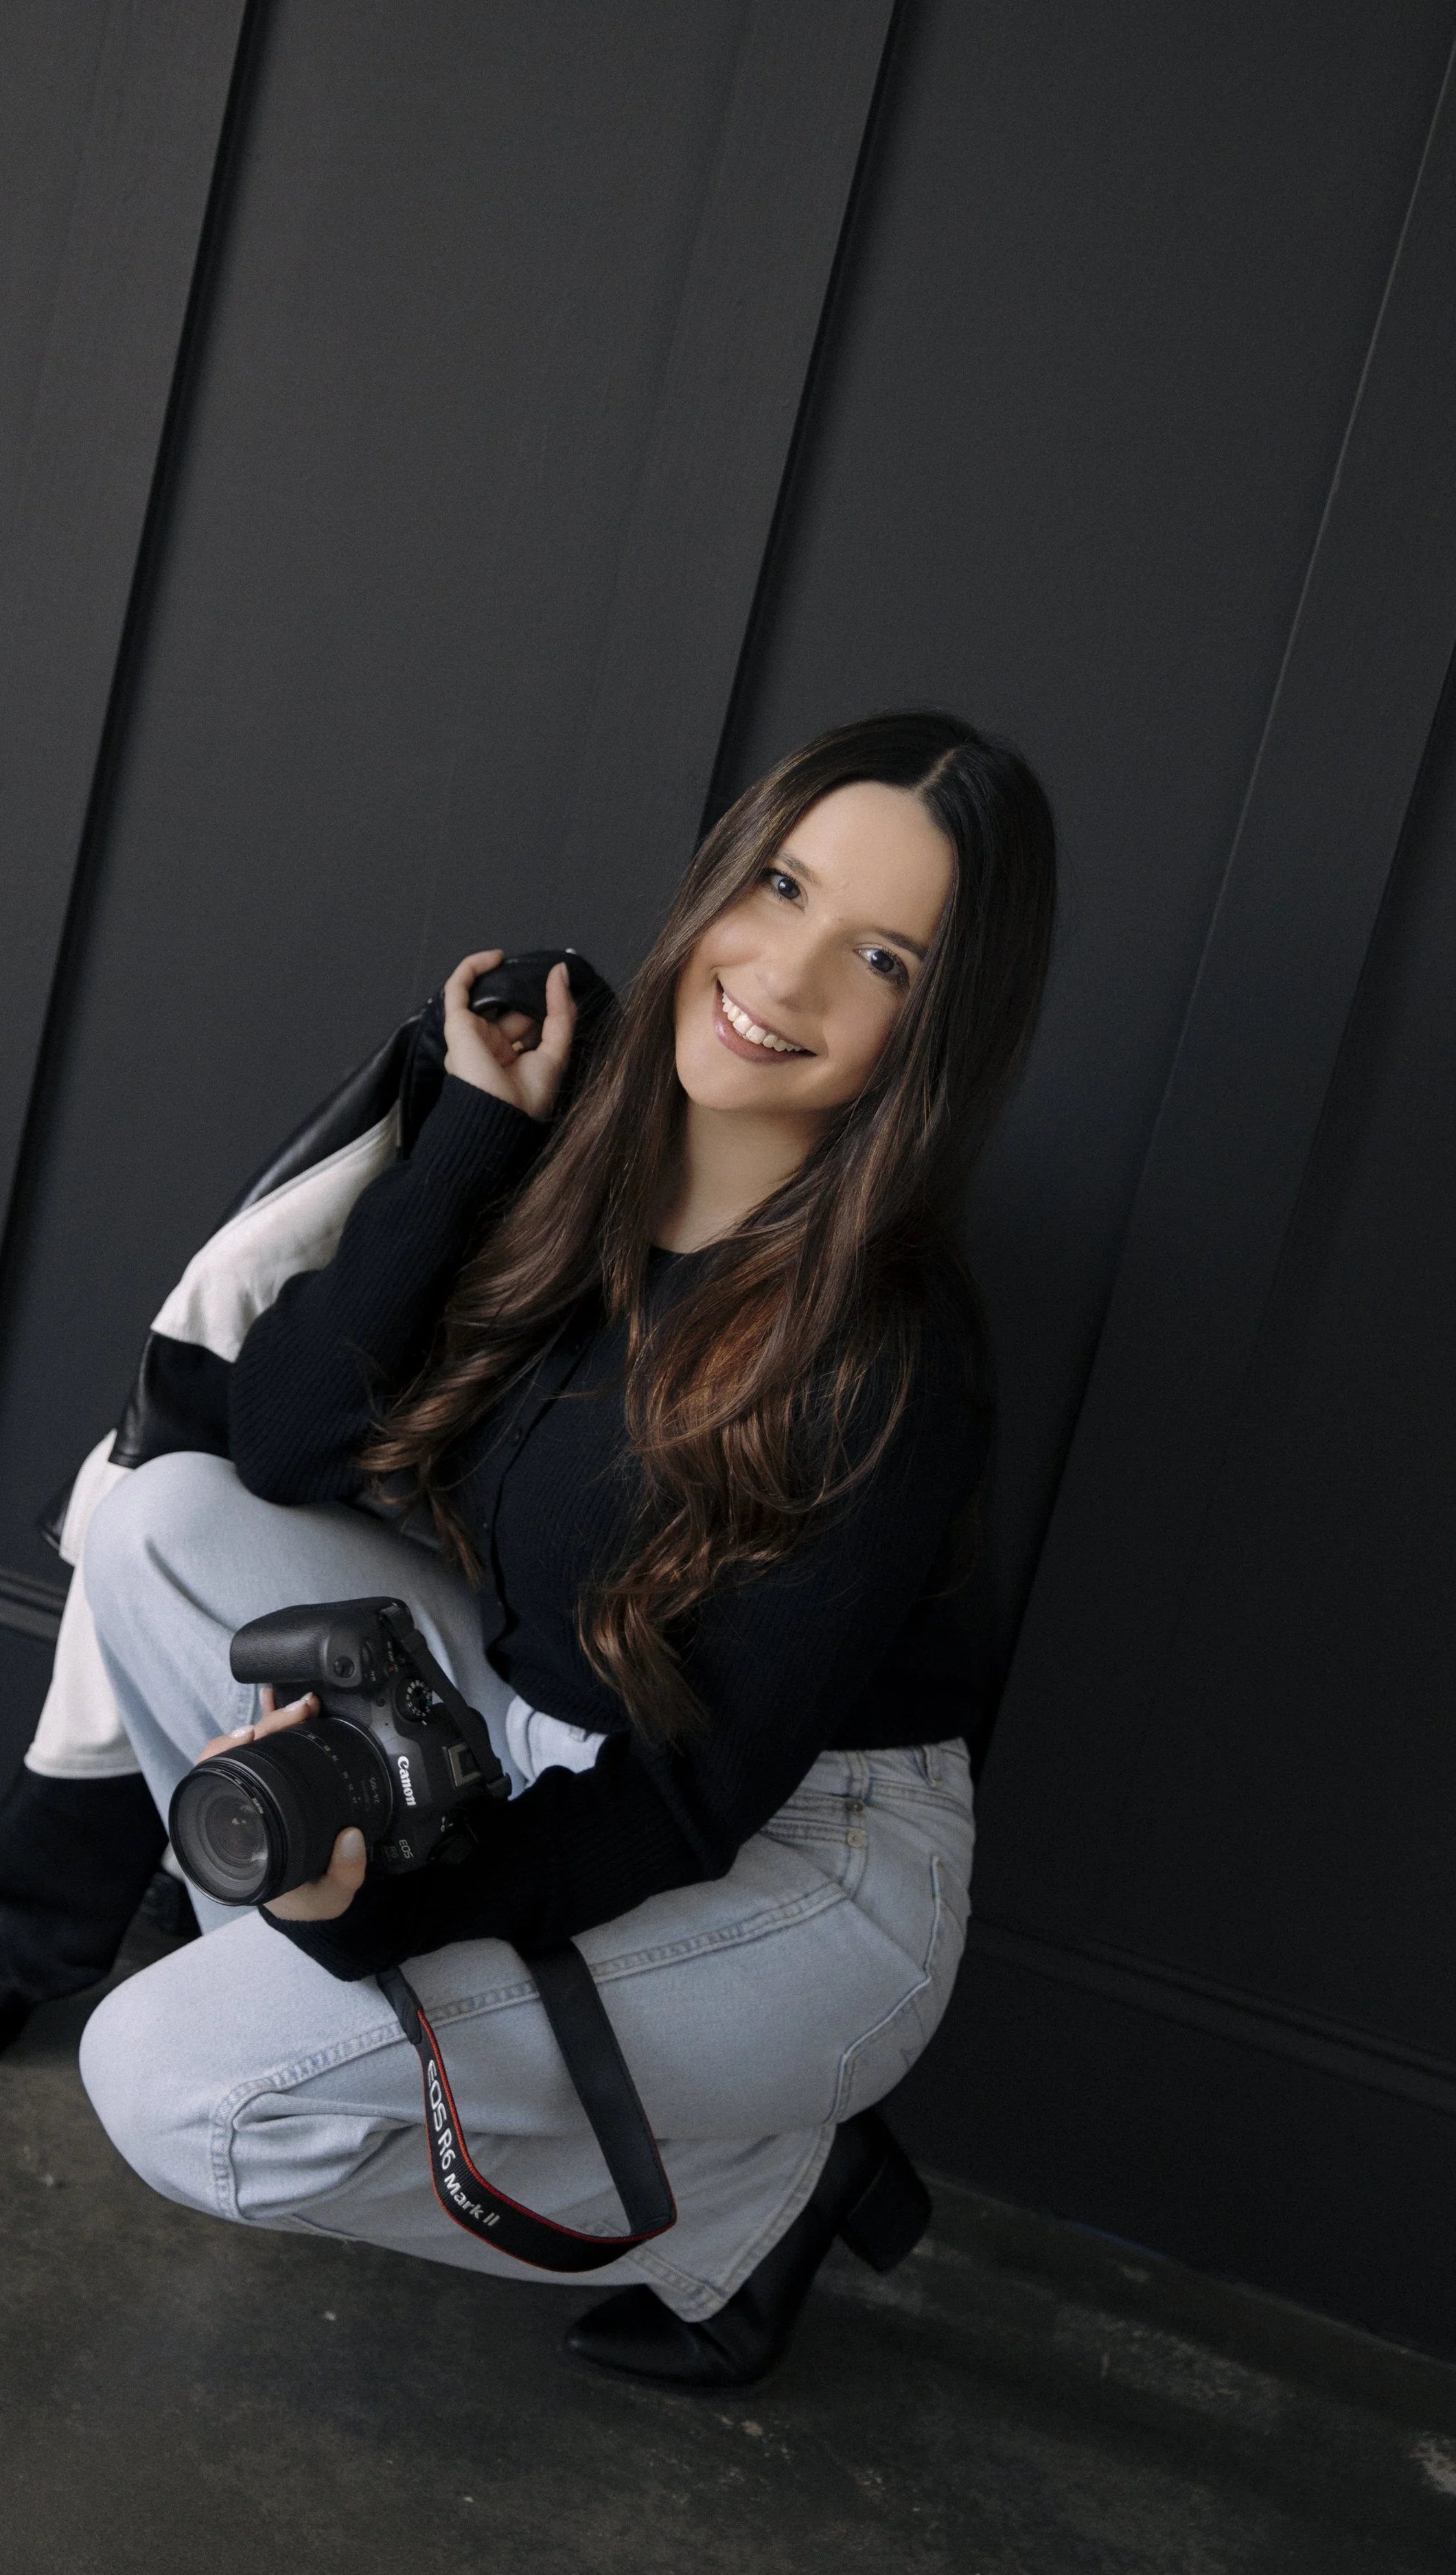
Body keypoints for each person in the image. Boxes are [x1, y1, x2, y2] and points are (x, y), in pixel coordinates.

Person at [76, 709, 1056, 2388]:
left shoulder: (886, 1357)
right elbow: (281, 1443)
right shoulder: (584, 1149)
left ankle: (748, 2195)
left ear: (932, 1032)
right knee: (161, 1522)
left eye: (880, 957)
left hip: (793, 1867)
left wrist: (377, 1919)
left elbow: (681, 1799)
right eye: (779, 886)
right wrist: (474, 1136)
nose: (784, 975)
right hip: (547, 1733)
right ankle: (428, 2028)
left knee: (176, 2091)